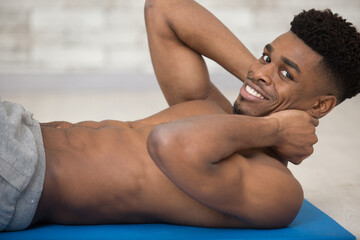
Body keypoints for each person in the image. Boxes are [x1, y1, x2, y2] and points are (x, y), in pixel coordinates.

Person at [1, 0, 359, 232]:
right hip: (17, 128)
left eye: (287, 74)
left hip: (19, 178)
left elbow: (169, 142)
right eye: (267, 56)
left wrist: (274, 126)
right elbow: (164, 9)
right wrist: (261, 78)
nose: (262, 70)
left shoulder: (278, 188)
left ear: (320, 106)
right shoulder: (210, 107)